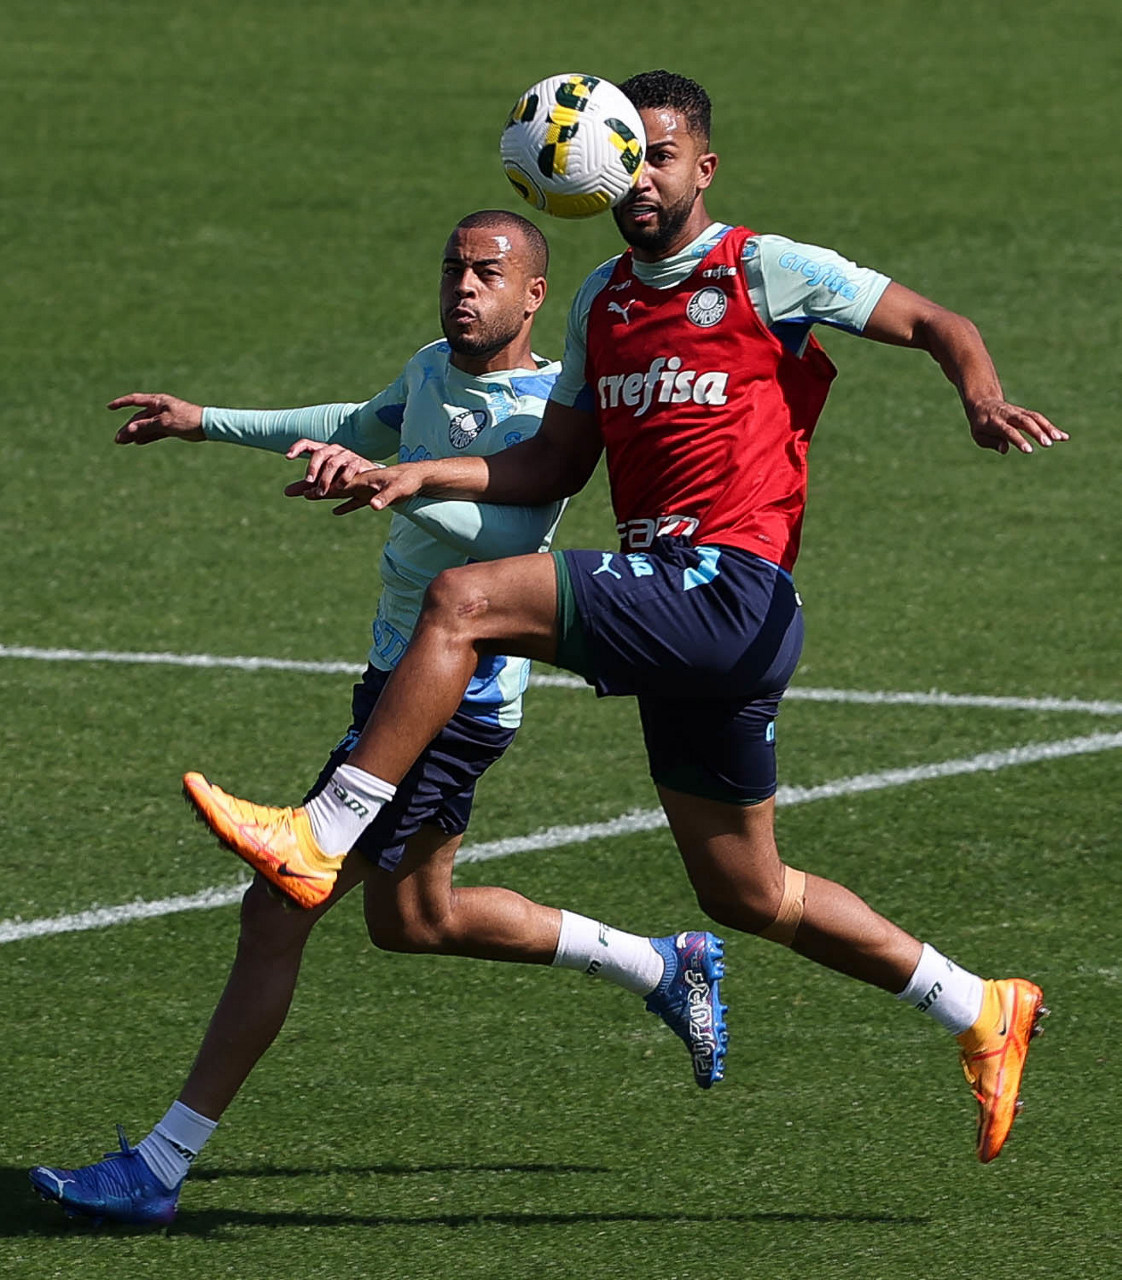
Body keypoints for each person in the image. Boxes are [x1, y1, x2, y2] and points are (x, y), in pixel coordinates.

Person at [187, 71, 1061, 1167]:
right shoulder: (602, 301)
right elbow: (552, 463)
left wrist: (980, 394)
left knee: (465, 600)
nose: (639, 176)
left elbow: (937, 320)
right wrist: (417, 473)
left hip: (729, 587)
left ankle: (320, 833)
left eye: (661, 155)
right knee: (746, 890)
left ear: (705, 167)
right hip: (684, 620)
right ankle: (978, 1005)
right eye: (625, 155)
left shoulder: (763, 268)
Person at [28, 209, 729, 1228]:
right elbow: (359, 421)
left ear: (535, 295)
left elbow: (502, 532)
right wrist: (203, 419)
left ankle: (159, 1166)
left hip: (453, 703)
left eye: (488, 274)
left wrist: (392, 486)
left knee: (277, 907)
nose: (463, 288)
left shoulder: (545, 412)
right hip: (396, 683)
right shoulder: (432, 370)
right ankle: (664, 963)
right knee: (415, 919)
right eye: (453, 269)